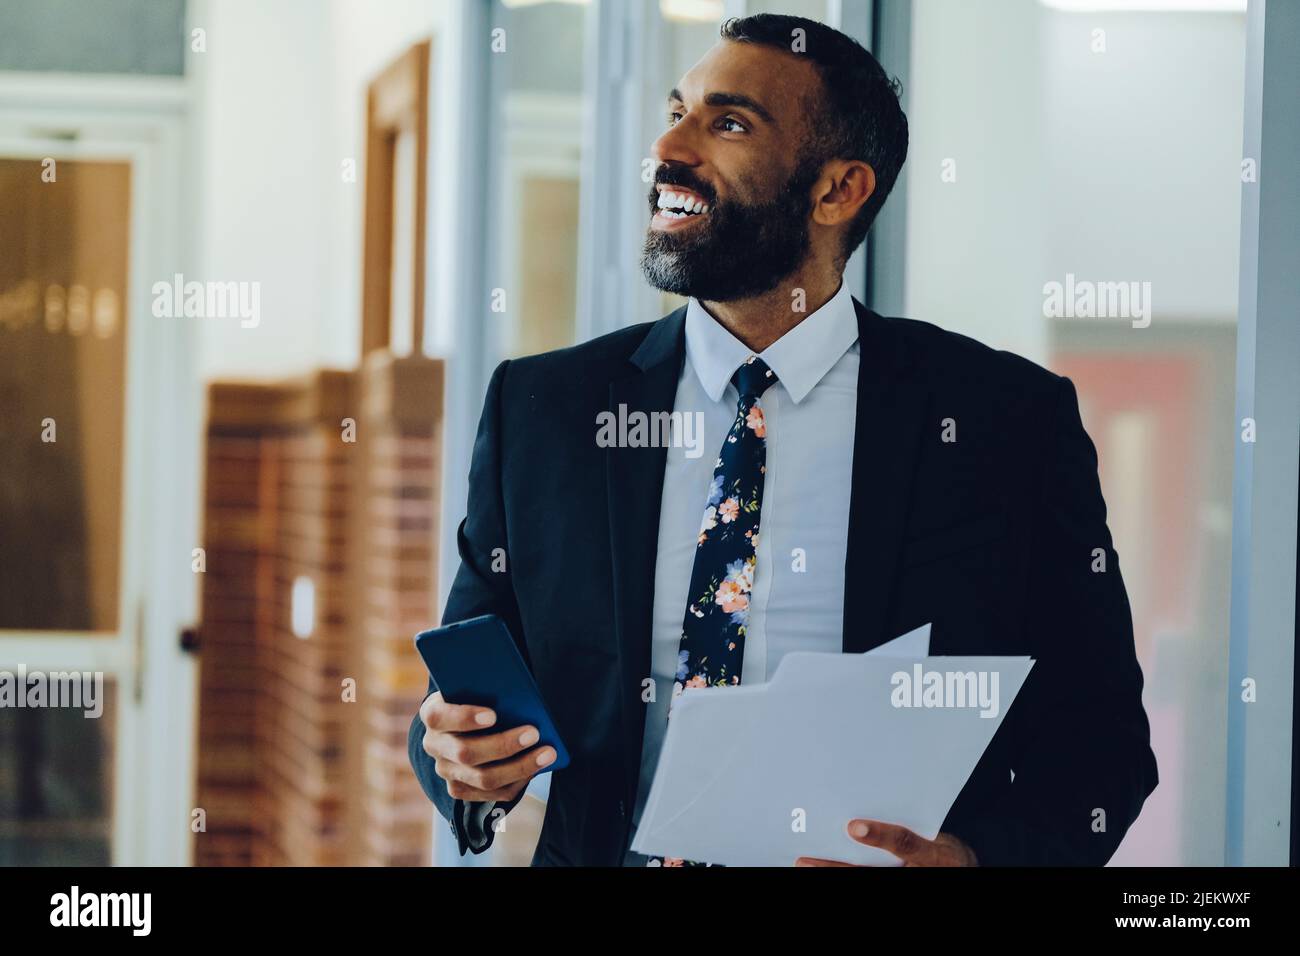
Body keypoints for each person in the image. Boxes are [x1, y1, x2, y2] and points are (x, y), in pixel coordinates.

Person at [409, 13, 1157, 867]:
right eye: (676, 108)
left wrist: (972, 862)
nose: (668, 144)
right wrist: (460, 759)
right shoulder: (543, 409)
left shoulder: (1005, 422)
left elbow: (1102, 751)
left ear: (838, 190)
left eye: (726, 123)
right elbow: (459, 704)